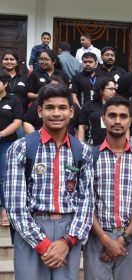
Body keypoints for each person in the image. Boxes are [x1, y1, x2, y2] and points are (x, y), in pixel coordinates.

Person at [4, 83, 94, 280]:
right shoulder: (21, 148)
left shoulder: (83, 151)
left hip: (69, 230)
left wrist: (67, 241)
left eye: (62, 108)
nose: (56, 113)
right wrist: (44, 245)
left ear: (71, 111)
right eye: (49, 108)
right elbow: (15, 206)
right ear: (39, 111)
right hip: (31, 230)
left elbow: (87, 201)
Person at [83, 95, 132, 280]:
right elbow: (84, 202)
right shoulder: (90, 157)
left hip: (130, 236)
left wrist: (123, 239)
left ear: (130, 121)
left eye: (123, 116)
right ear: (103, 119)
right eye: (112, 115)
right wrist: (106, 240)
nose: (117, 121)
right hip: (97, 235)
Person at [0, 69, 23, 226]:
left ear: (5, 84)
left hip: (7, 142)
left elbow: (17, 122)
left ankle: (5, 209)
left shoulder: (13, 101)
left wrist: (0, 134)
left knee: (4, 176)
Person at [77, 77, 117, 146]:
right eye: (110, 89)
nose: (113, 91)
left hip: (113, 146)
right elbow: (82, 126)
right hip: (91, 146)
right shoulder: (89, 105)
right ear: (101, 90)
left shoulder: (118, 106)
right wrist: (80, 145)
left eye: (114, 89)